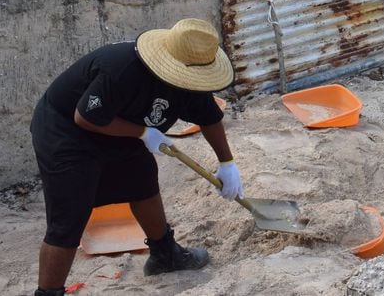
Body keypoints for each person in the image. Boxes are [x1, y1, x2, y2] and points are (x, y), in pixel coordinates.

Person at [30, 19, 240, 296]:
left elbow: (210, 117)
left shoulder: (193, 76)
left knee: (142, 178)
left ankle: (165, 255)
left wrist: (227, 163)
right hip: (67, 130)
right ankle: (48, 293)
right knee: (70, 214)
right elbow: (85, 117)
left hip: (124, 126)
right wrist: (144, 133)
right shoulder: (122, 69)